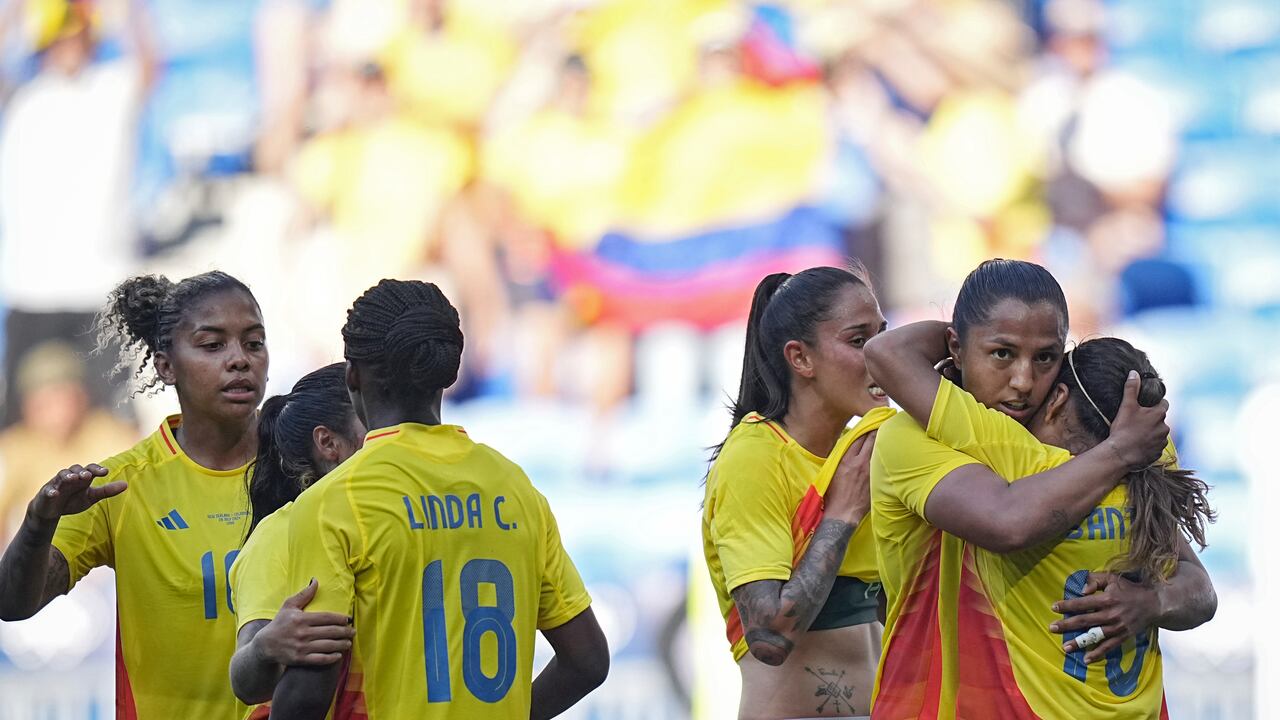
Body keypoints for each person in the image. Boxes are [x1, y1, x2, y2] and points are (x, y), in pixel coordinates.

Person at [863, 258, 1217, 717]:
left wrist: (1153, 601)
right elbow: (1006, 524)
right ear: (956, 346)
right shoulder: (913, 438)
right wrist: (1120, 452)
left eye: (1045, 357)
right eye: (1001, 353)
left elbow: (1199, 589)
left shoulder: (1122, 439)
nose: (1023, 381)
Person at [270, 279, 608, 719]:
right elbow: (587, 661)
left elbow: (308, 694)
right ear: (446, 371)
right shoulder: (514, 486)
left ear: (352, 375)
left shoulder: (336, 501)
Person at [0, 271, 267, 718]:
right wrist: (37, 525)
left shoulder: (302, 469)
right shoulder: (121, 484)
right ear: (166, 366)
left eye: (254, 342)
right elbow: (12, 604)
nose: (240, 360)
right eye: (212, 344)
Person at [702, 266, 895, 719]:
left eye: (883, 337)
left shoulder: (868, 447)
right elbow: (769, 637)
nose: (882, 356)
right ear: (800, 358)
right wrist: (843, 514)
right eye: (857, 340)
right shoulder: (755, 455)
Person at [0, 0, 156, 425]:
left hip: (101, 287)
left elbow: (148, 61)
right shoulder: (21, 98)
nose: (68, 45)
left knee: (120, 426)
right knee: (16, 431)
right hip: (31, 289)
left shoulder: (112, 87)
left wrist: (122, 11)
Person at [228, 364, 365, 717]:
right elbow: (246, 683)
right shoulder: (278, 533)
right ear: (329, 443)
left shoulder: (396, 517)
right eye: (372, 423)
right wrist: (267, 647)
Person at [0, 341, 136, 537]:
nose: (56, 412)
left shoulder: (114, 437)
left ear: (82, 397)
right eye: (45, 402)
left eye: (62, 397)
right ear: (27, 405)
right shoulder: (13, 449)